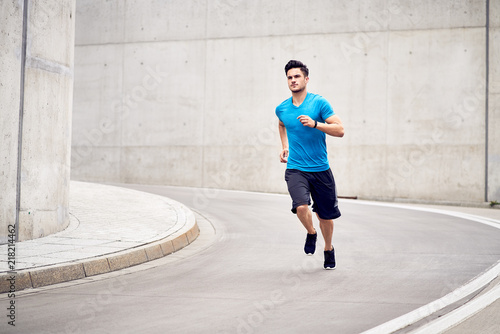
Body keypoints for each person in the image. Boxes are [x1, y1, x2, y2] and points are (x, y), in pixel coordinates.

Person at [275, 60, 344, 269]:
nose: (293, 80)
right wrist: (284, 145)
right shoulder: (282, 109)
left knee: (325, 216)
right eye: (289, 77)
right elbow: (281, 124)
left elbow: (340, 130)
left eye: (297, 76)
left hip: (321, 170)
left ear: (306, 79)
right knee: (301, 206)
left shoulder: (319, 103)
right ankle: (311, 233)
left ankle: (328, 248)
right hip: (296, 168)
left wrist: (316, 124)